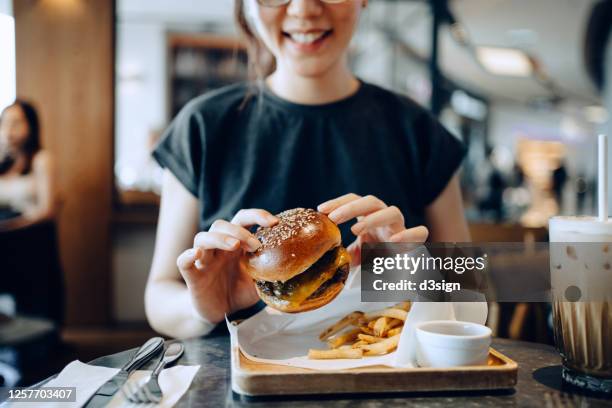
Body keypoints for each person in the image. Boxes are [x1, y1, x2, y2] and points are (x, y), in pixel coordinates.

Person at [146, 0, 470, 339]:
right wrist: (204, 307)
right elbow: (159, 295)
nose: (303, 9)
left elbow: (473, 301)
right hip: (235, 383)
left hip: (384, 380)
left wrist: (411, 275)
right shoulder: (202, 127)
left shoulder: (419, 132)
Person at [0, 100, 56, 230]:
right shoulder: (4, 160)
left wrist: (9, 226)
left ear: (31, 126)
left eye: (16, 123)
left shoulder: (41, 159)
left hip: (28, 234)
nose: (9, 129)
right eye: (4, 122)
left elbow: (48, 212)